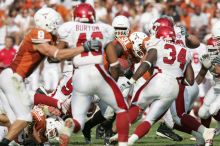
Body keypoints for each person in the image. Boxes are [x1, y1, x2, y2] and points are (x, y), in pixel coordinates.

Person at [0, 7, 99, 145]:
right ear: (46, 21)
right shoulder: (39, 32)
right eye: (55, 21)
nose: (57, 24)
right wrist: (83, 48)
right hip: (13, 78)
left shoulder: (45, 35)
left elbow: (54, 59)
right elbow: (55, 54)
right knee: (24, 118)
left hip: (14, 78)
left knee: (14, 121)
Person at [57, 3, 130, 146]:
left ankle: (70, 124)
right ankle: (123, 144)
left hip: (79, 76)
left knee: (78, 121)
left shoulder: (68, 29)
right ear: (93, 16)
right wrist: (111, 85)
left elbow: (56, 56)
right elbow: (114, 65)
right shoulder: (104, 29)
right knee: (122, 109)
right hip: (98, 72)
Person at [124, 26, 194, 145]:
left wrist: (131, 80)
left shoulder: (157, 43)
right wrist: (179, 80)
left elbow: (147, 63)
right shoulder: (185, 51)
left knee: (136, 106)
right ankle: (131, 141)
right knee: (151, 120)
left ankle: (121, 133)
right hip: (174, 86)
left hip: (158, 79)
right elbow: (190, 81)